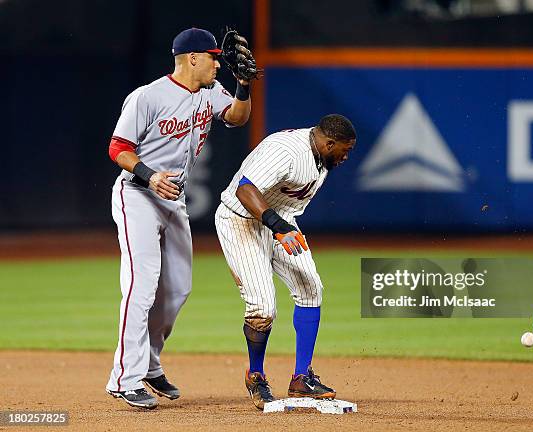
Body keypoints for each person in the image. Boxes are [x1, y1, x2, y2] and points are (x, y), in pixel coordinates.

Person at [105, 27, 254, 409]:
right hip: (137, 194)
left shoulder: (210, 92)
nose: (218, 63)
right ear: (192, 58)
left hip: (174, 200)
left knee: (177, 289)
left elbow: (237, 117)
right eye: (213, 57)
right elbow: (118, 149)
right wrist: (150, 175)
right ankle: (125, 377)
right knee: (142, 285)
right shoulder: (148, 96)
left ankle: (150, 364)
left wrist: (242, 85)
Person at [214, 114, 357, 409]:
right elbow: (245, 190)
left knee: (310, 288)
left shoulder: (320, 154)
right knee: (263, 307)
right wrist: (278, 227)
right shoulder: (286, 150)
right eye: (345, 149)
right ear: (329, 143)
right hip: (240, 220)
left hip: (280, 221)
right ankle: (256, 376)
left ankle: (302, 379)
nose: (346, 156)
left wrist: (280, 226)